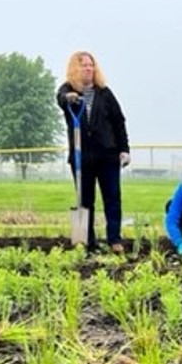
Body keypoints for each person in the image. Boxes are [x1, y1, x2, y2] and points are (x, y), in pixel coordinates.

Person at [56, 50, 130, 253]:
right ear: (75, 69)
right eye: (84, 65)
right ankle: (87, 241)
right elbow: (60, 98)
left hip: (107, 154)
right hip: (82, 156)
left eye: (91, 65)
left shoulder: (104, 93)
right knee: (85, 199)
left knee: (112, 198)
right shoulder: (68, 90)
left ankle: (114, 239)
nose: (89, 68)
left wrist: (124, 149)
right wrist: (69, 98)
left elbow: (118, 121)